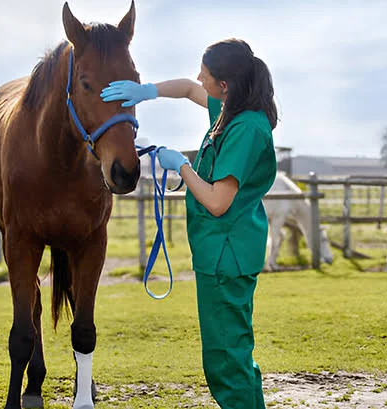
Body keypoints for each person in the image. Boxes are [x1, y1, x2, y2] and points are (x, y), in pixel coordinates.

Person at [100, 38, 278, 409]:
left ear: (224, 85)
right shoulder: (231, 110)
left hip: (225, 255)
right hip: (222, 253)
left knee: (226, 360)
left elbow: (217, 201)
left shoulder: (245, 127)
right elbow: (185, 88)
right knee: (233, 353)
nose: (200, 78)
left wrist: (180, 164)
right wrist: (146, 91)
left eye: (206, 74)